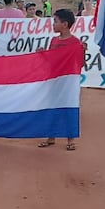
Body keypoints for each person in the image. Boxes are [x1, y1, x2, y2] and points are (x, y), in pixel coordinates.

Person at [37, 9, 84, 151]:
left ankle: (70, 139)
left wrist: (83, 51)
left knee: (68, 107)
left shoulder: (75, 42)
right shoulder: (54, 40)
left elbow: (80, 63)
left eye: (55, 21)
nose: (53, 24)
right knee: (52, 107)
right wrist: (42, 54)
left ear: (64, 24)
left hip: (68, 81)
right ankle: (51, 136)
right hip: (54, 80)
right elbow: (51, 60)